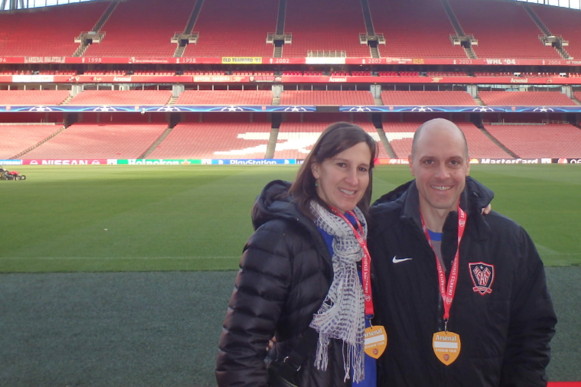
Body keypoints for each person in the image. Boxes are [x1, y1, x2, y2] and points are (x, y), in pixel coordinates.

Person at [368, 118, 557, 387]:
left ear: (468, 165)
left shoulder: (508, 240)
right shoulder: (375, 232)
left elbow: (532, 333)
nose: (442, 174)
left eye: (453, 162)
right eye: (429, 161)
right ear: (411, 163)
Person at [216, 122, 379, 387]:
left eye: (362, 169)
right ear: (316, 167)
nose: (353, 179)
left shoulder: (363, 234)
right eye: (341, 165)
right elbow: (238, 355)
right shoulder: (277, 239)